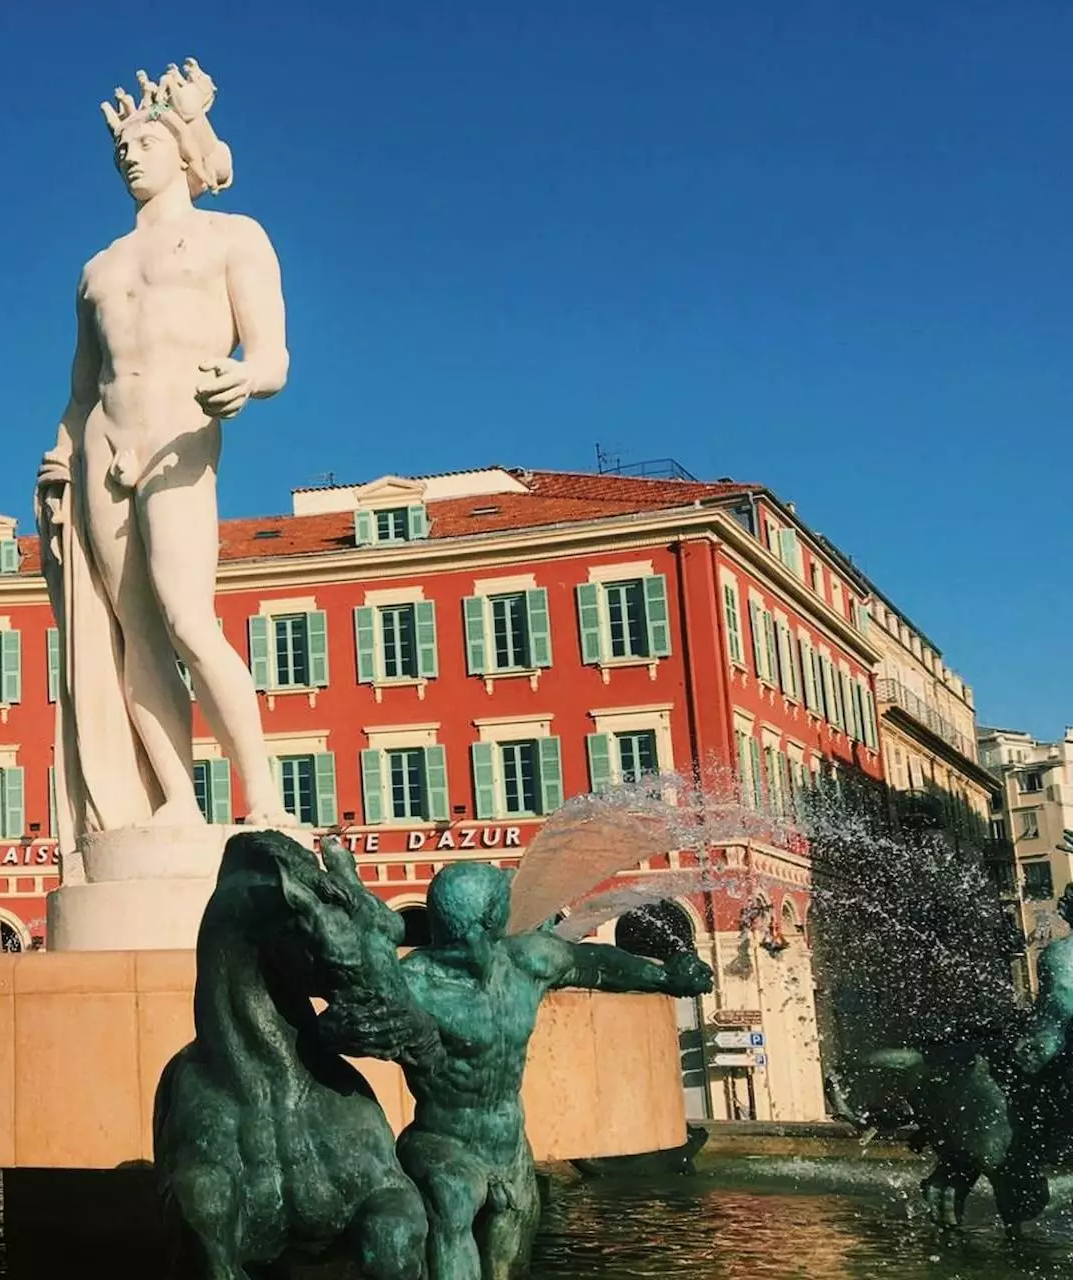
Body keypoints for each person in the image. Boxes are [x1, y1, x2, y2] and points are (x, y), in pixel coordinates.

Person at [38, 59, 293, 850]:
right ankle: (177, 799)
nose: (130, 157)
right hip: (103, 446)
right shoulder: (98, 269)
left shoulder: (233, 236)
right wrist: (59, 458)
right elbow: (83, 385)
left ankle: (268, 800)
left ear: (183, 151)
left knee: (187, 619)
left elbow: (274, 356)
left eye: (146, 142)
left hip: (179, 438)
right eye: (122, 151)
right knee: (133, 635)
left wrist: (246, 379)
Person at [323, 862, 714, 1280]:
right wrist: (343, 1031)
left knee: (509, 1258)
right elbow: (335, 1021)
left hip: (509, 1147)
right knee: (454, 1198)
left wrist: (664, 976)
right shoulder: (413, 982)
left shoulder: (526, 963)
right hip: (442, 1142)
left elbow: (596, 964)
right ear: (493, 919)